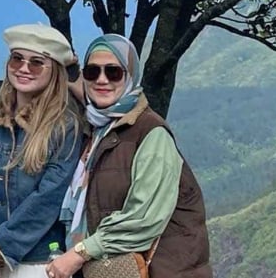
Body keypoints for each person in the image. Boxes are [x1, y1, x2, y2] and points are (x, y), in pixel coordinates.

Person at [46, 34, 213, 278]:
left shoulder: (151, 133)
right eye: (92, 72)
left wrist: (80, 252)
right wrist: (69, 70)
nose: (102, 79)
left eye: (113, 72)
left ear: (130, 76)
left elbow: (143, 218)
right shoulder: (97, 129)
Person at [0, 24, 84, 278]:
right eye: (17, 59)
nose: (24, 68)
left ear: (54, 71)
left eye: (36, 63)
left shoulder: (66, 125)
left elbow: (48, 199)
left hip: (40, 264)